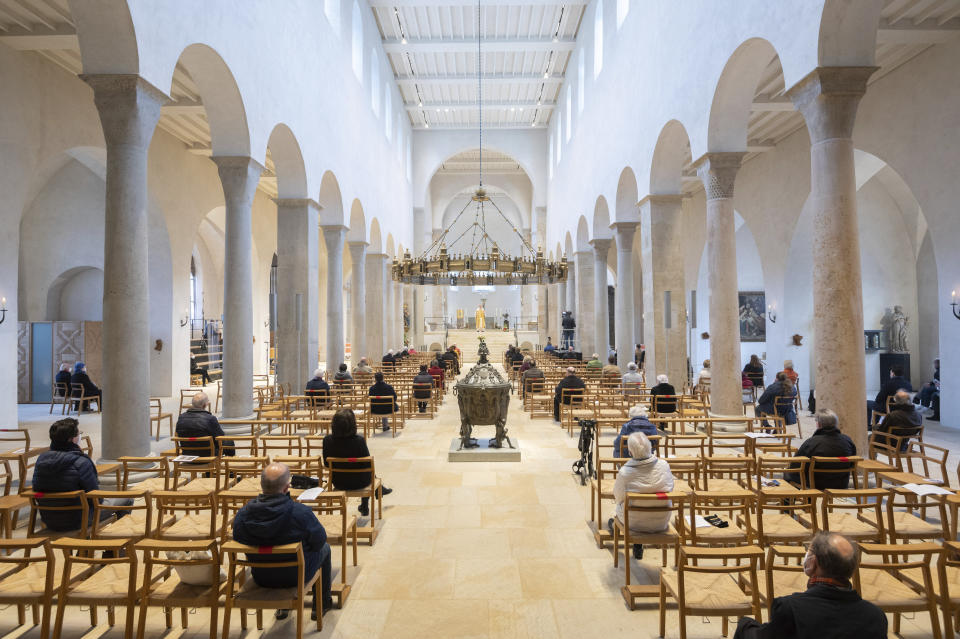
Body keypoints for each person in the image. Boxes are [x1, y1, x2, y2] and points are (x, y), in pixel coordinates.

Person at [734, 532, 887, 638]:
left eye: (809, 551)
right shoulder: (876, 617)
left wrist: (745, 624)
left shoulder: (790, 608)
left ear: (813, 563)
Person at [232, 462, 334, 620]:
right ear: (287, 488)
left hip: (262, 576)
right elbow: (319, 541)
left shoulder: (243, 514)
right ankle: (321, 603)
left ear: (262, 486)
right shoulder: (300, 513)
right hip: (296, 576)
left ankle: (282, 608)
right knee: (325, 549)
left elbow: (238, 538)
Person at [32, 418, 133, 531]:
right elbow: (96, 498)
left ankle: (86, 548)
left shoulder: (41, 460)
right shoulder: (81, 462)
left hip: (49, 519)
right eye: (78, 434)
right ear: (73, 439)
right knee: (127, 499)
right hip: (79, 519)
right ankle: (114, 547)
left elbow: (37, 490)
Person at [609, 432, 674, 560]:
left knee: (619, 509)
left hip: (633, 523)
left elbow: (618, 498)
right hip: (661, 520)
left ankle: (615, 527)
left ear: (631, 452)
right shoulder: (664, 466)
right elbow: (670, 488)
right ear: (650, 448)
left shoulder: (625, 473)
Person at [323, 409, 392, 516]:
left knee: (366, 470)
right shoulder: (359, 441)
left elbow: (327, 464)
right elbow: (368, 464)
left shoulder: (327, 440)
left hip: (339, 481)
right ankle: (368, 501)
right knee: (368, 470)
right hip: (361, 482)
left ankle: (377, 493)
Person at [785, 410, 856, 489]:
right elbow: (852, 463)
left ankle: (798, 500)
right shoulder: (847, 440)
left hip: (816, 484)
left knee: (788, 473)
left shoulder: (812, 442)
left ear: (818, 424)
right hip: (841, 483)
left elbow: (795, 465)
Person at [175, 392, 234, 456]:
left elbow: (178, 433)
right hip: (208, 455)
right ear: (205, 405)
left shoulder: (181, 417)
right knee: (229, 442)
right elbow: (220, 437)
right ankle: (229, 463)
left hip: (187, 454)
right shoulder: (210, 419)